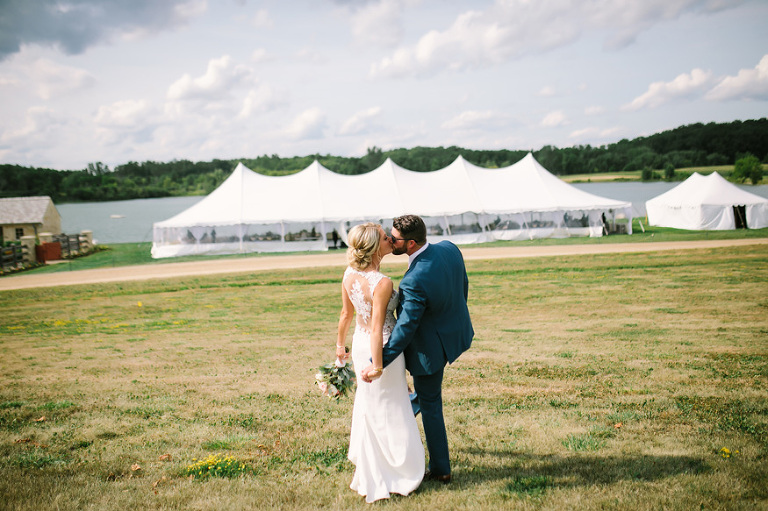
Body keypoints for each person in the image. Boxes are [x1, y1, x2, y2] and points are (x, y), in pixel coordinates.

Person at [361, 214, 474, 484]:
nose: (390, 240)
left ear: (410, 243)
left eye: (395, 239)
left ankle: (441, 469)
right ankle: (405, 412)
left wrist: (379, 361)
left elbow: (405, 328)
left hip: (430, 350)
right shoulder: (449, 248)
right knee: (426, 396)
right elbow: (463, 287)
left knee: (432, 403)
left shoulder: (413, 280)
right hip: (453, 334)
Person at [336, 222, 424, 503]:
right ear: (376, 247)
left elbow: (345, 315)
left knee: (370, 405)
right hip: (381, 347)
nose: (391, 240)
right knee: (392, 405)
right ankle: (397, 471)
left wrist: (341, 348)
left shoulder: (349, 275)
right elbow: (377, 328)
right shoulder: (382, 282)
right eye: (386, 238)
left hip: (360, 343)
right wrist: (377, 364)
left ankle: (372, 468)